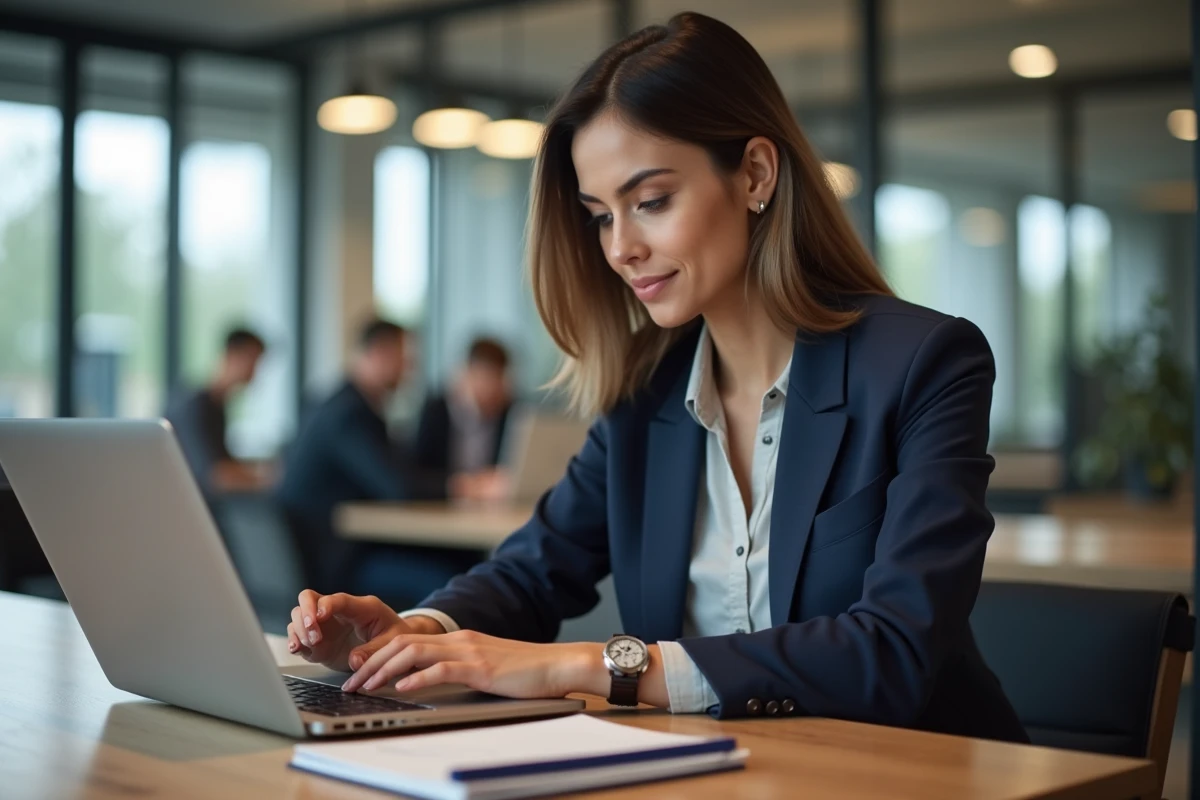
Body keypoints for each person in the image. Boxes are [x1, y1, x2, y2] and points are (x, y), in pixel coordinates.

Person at [282, 13, 1028, 743]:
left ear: (756, 175)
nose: (621, 248)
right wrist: (414, 630)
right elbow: (534, 571)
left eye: (650, 202)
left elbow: (894, 651)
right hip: (722, 772)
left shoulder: (925, 363)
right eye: (601, 216)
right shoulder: (646, 396)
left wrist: (586, 667)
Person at [277, 319, 488, 608]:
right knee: (451, 577)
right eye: (405, 359)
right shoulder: (348, 414)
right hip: (334, 566)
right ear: (380, 353)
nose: (409, 370)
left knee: (464, 561)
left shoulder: (337, 402)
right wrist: (466, 486)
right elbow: (398, 485)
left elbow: (400, 470)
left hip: (329, 552)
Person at [165, 327, 272, 496]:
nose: (255, 371)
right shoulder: (195, 407)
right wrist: (268, 478)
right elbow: (216, 476)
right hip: (189, 504)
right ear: (231, 355)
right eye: (253, 360)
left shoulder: (217, 406)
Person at [415, 337, 514, 479]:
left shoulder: (509, 413)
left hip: (492, 498)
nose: (492, 388)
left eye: (498, 378)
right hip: (443, 497)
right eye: (486, 376)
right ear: (468, 372)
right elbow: (417, 471)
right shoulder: (437, 410)